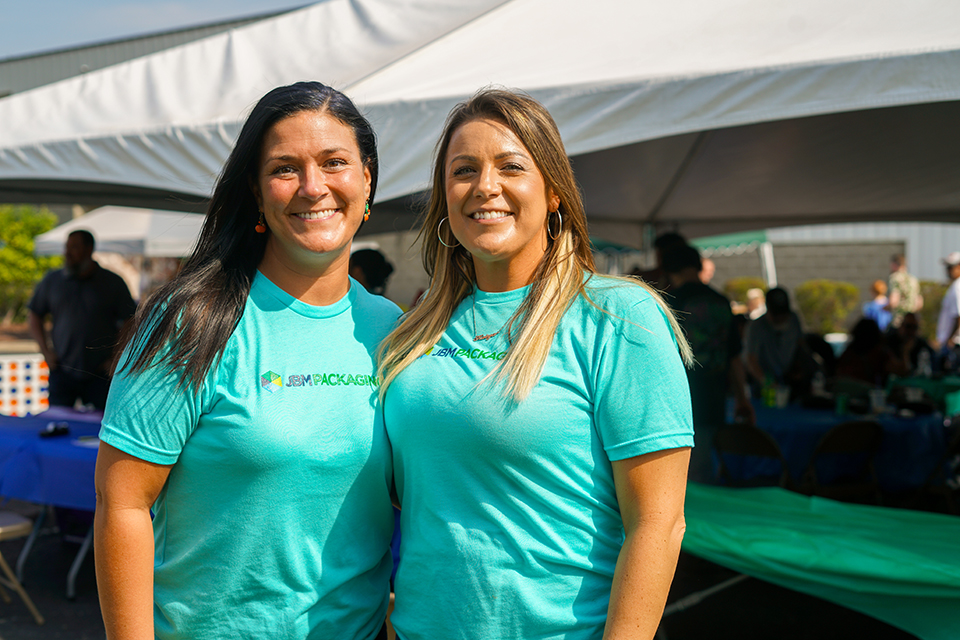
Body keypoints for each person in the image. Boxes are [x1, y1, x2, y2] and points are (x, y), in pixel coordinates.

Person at [378, 89, 693, 639]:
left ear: (553, 193)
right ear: (444, 201)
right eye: (464, 170)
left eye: (511, 167)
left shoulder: (618, 315)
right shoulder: (413, 331)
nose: (485, 187)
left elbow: (658, 525)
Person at [94, 82, 400, 640]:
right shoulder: (187, 323)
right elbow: (123, 505)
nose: (313, 187)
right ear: (257, 196)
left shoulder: (397, 331)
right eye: (285, 169)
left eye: (335, 162)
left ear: (367, 181)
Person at [663, 243, 754, 483]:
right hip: (716, 398)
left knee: (687, 476)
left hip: (679, 400)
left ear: (672, 269)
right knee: (708, 469)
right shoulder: (721, 301)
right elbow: (734, 356)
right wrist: (742, 398)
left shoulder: (670, 301)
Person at [27, 230, 137, 410]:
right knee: (57, 424)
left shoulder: (112, 282)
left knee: (101, 429)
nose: (68, 253)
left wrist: (116, 357)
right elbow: (34, 314)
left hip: (100, 372)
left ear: (89, 249)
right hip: (62, 370)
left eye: (74, 247)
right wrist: (45, 351)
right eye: (67, 247)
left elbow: (130, 321)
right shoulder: (53, 281)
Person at [743, 286, 815, 398]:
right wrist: (766, 382)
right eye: (776, 316)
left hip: (789, 381)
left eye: (783, 315)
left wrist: (801, 368)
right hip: (763, 387)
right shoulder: (756, 327)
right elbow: (751, 359)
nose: (780, 319)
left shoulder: (793, 320)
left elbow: (801, 344)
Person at [835, 317, 907, 387]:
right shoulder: (879, 353)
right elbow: (902, 371)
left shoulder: (848, 353)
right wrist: (906, 350)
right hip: (868, 395)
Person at [936, 251, 960, 371]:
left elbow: (958, 316)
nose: (948, 270)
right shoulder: (955, 285)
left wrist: (949, 340)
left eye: (951, 267)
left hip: (955, 345)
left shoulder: (957, 287)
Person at [887, 253, 923, 328]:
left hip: (899, 321)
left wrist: (883, 308)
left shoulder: (895, 278)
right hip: (912, 320)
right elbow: (919, 303)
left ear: (894, 265)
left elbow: (894, 302)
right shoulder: (913, 279)